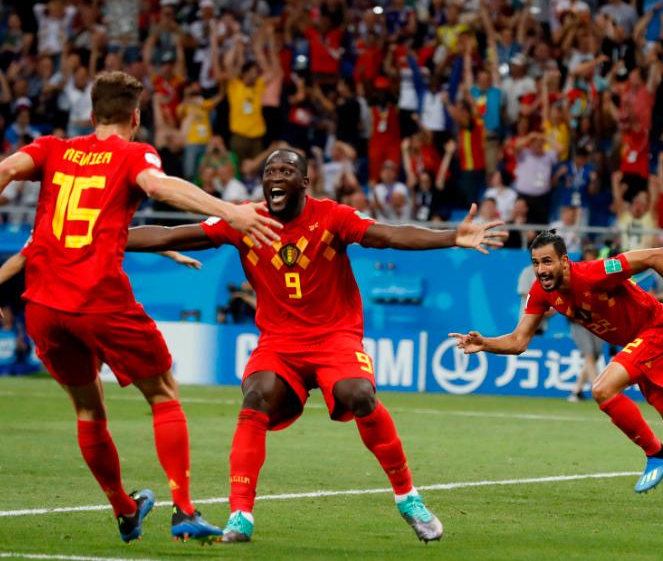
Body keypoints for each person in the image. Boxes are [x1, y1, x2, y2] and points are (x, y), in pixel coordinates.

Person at [125, 148, 507, 544]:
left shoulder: (332, 217)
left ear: (304, 183)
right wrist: (108, 237)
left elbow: (389, 235)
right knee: (255, 395)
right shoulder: (244, 220)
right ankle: (240, 514)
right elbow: (171, 235)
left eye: (287, 171)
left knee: (358, 394)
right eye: (270, 170)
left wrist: (452, 237)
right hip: (279, 343)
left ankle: (407, 496)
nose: (276, 176)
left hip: (334, 337)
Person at [0, 71, 280, 543]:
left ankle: (126, 511)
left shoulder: (51, 148)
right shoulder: (134, 153)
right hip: (98, 299)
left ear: (91, 115)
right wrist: (231, 211)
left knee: (88, 411)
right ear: (135, 116)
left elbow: (6, 170)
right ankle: (185, 510)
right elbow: (159, 185)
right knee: (164, 394)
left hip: (44, 304)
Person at [448, 231, 663, 510]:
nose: (541, 270)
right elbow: (519, 341)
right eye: (535, 263)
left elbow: (658, 256)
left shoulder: (595, 272)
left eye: (547, 262)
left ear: (564, 261)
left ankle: (657, 455)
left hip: (657, 330)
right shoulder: (541, 292)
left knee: (602, 388)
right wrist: (485, 343)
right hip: (641, 344)